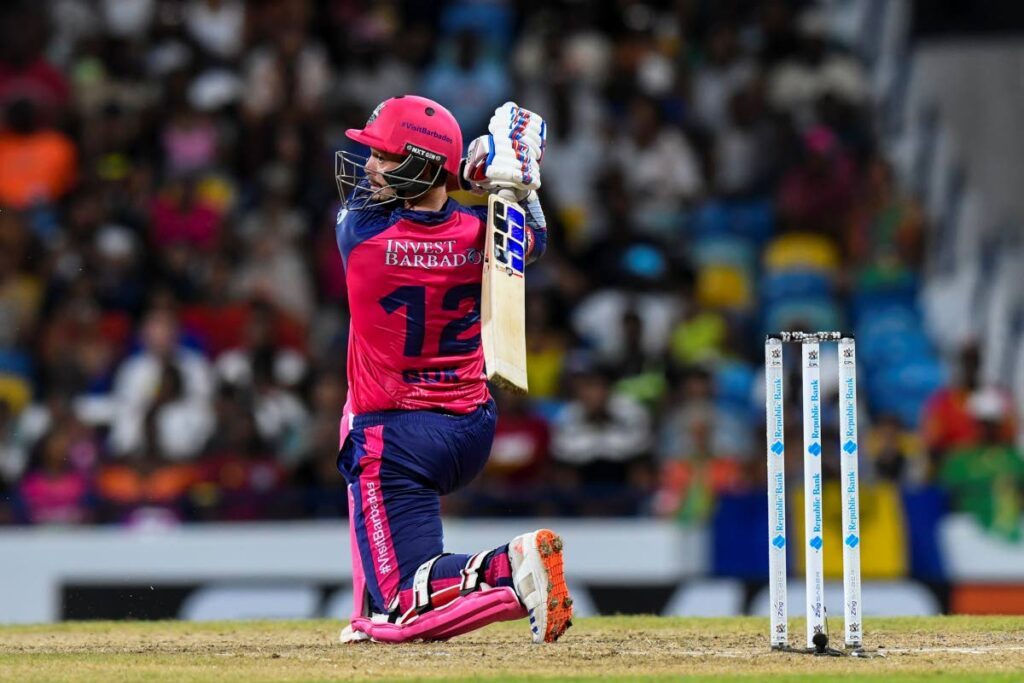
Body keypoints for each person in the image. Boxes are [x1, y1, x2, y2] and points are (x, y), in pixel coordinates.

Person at [333, 95, 571, 644]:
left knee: (401, 607)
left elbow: (405, 195)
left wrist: (473, 167)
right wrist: (507, 181)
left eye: (383, 157)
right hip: (472, 425)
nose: (367, 166)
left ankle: (508, 568)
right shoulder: (482, 234)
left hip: (396, 435)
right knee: (354, 423)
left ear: (418, 165)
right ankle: (370, 603)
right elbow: (535, 236)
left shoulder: (360, 234)